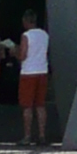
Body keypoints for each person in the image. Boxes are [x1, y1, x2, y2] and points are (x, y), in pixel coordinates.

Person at [16, 12, 50, 146]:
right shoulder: (44, 34)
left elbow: (23, 55)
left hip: (28, 72)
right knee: (40, 105)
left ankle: (27, 136)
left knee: (27, 106)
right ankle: (42, 135)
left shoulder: (26, 36)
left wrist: (15, 52)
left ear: (26, 21)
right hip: (42, 70)